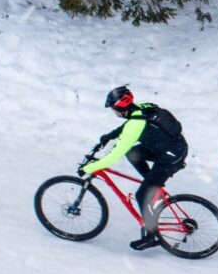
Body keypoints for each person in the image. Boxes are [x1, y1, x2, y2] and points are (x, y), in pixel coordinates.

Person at [81, 86, 188, 250]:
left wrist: (89, 168)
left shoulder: (134, 126)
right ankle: (152, 183)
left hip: (170, 158)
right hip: (175, 147)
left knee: (142, 195)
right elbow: (129, 125)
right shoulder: (142, 108)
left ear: (120, 109)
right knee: (133, 153)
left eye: (113, 109)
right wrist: (108, 137)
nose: (113, 112)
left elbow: (114, 156)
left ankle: (151, 237)